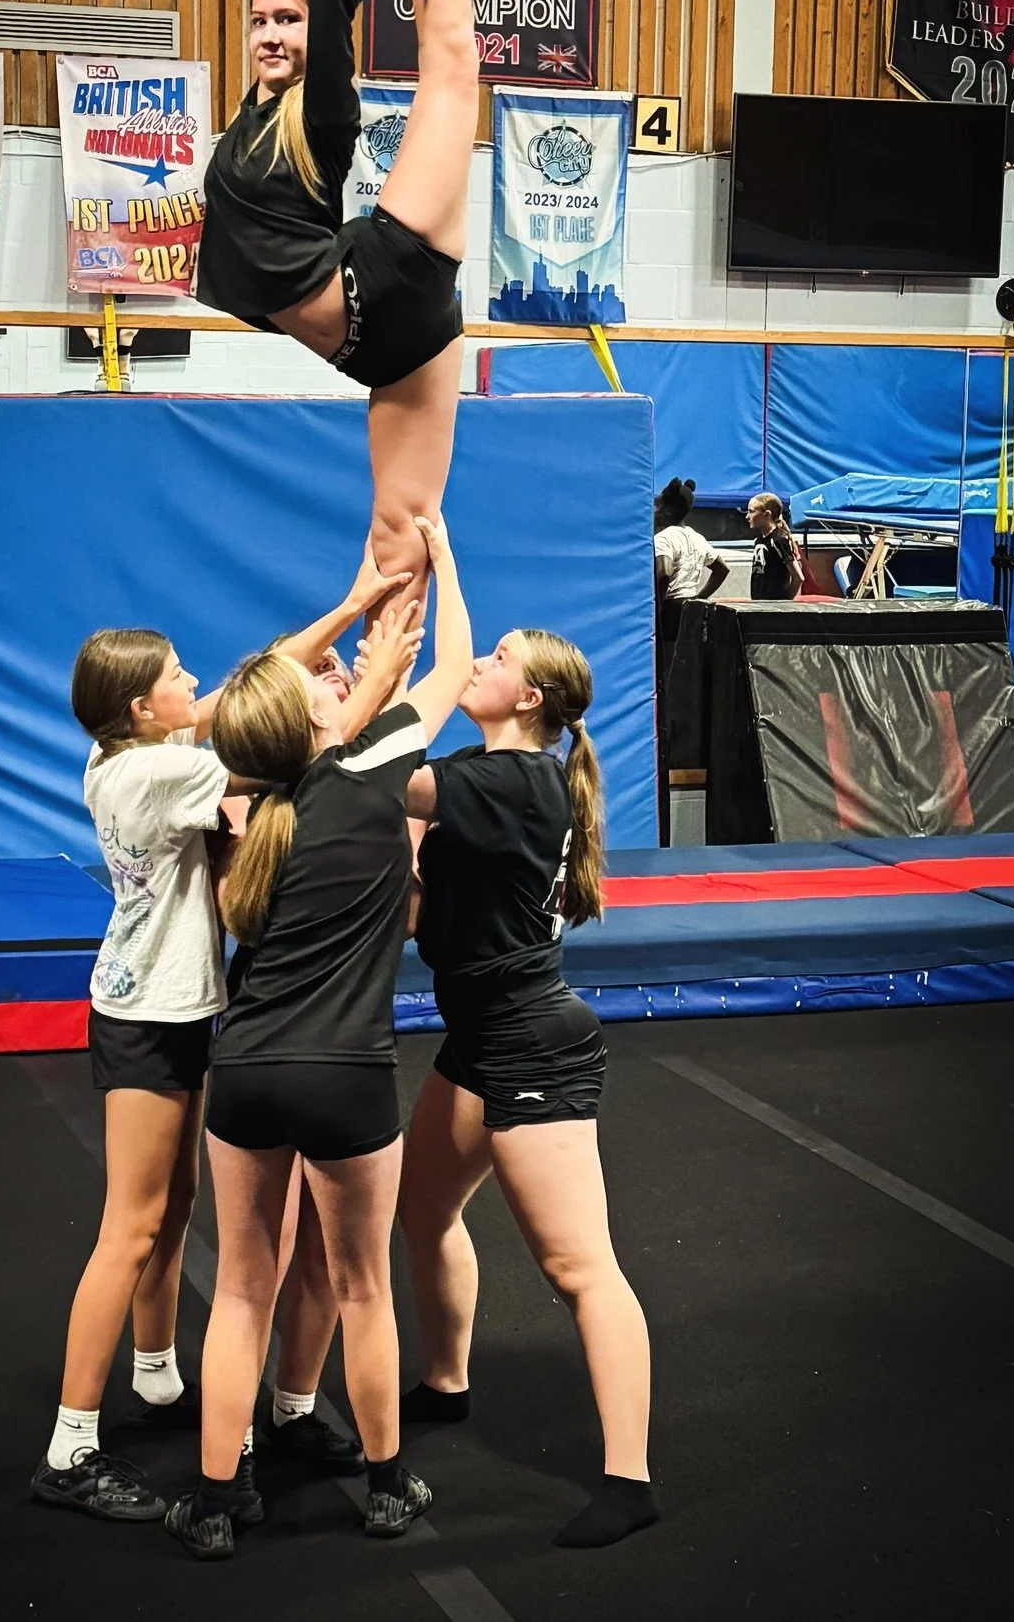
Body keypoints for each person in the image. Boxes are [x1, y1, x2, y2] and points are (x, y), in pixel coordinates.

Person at [32, 544, 416, 1525]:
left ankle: (160, 1375)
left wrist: (351, 602)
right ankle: (71, 1446)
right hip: (147, 1016)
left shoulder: (121, 746)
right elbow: (280, 737)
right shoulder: (159, 775)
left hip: (185, 1003)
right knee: (133, 1222)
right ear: (143, 712)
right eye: (175, 680)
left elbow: (261, 676)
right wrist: (375, 680)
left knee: (183, 1202)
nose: (193, 684)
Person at [165, 515, 472, 1561]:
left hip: (244, 1069)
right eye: (322, 682)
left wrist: (358, 626)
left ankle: (215, 1499)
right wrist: (438, 557)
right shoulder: (377, 767)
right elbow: (457, 665)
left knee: (242, 1288)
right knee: (362, 1286)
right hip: (348, 1077)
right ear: (311, 723)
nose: (336, 675)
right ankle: (386, 1490)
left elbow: (255, 710)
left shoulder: (238, 797)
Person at [195, 0, 503, 618]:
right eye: (258, 20)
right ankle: (377, 716)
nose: (271, 34)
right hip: (390, 347)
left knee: (450, 65)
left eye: (287, 21)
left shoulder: (317, 112)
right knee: (399, 542)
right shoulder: (249, 125)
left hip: (382, 281)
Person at [396, 629, 657, 1551]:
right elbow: (420, 877)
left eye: (497, 657)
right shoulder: (486, 770)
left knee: (580, 1269)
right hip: (479, 1032)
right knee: (422, 1208)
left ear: (534, 698)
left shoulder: (512, 781)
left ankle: (630, 1480)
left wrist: (380, 677)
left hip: (531, 1043)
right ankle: (446, 1380)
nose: (480, 664)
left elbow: (379, 775)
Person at [654, 477, 728, 605]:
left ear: (668, 511)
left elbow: (664, 574)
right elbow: (722, 569)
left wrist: (658, 606)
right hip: (692, 607)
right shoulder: (697, 538)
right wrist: (699, 598)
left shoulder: (663, 538)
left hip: (670, 606)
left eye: (656, 505)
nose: (653, 510)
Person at [747, 492, 803, 600]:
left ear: (767, 514)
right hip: (758, 604)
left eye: (751, 512)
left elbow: (798, 577)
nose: (747, 516)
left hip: (773, 606)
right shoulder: (759, 540)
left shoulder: (779, 540)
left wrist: (785, 602)